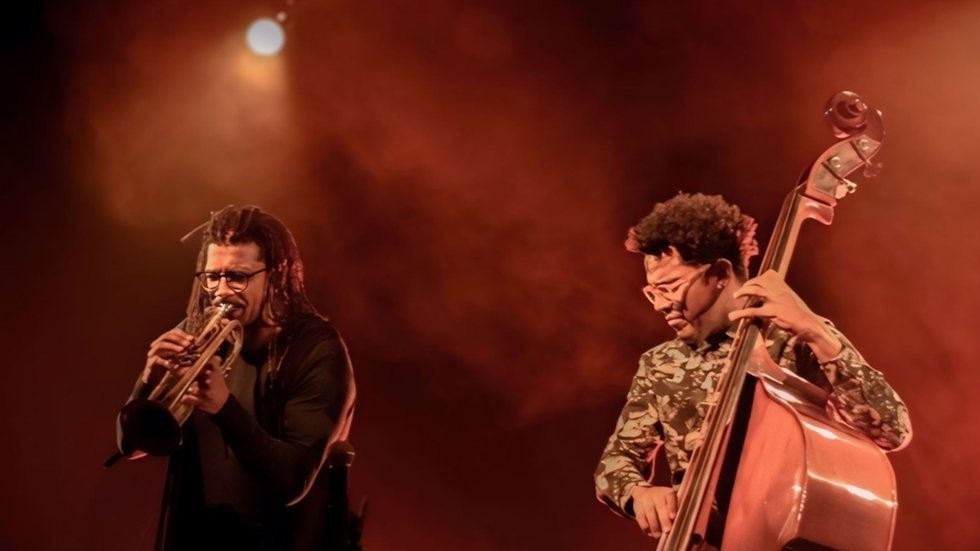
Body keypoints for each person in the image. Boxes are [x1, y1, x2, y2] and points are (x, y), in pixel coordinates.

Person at [593, 193, 911, 542]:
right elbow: (616, 461)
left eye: (671, 288)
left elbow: (892, 429)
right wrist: (638, 493)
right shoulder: (660, 363)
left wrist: (816, 332)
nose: (661, 305)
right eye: (653, 292)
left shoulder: (795, 337)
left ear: (720, 273)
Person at [117, 205, 355, 551]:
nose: (221, 292)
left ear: (275, 275)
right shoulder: (196, 332)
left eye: (237, 277)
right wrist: (149, 379)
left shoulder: (317, 350)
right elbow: (132, 447)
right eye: (213, 276)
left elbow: (293, 481)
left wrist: (224, 409)